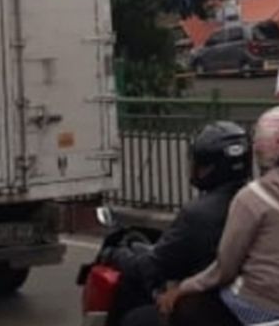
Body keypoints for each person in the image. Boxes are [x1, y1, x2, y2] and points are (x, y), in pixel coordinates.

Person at [101, 121, 253, 326]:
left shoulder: (198, 214)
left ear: (207, 167)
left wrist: (114, 255)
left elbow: (152, 267)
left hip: (220, 309)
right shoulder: (260, 201)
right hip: (253, 305)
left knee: (133, 321)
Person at [161, 105, 279, 325]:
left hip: (258, 310)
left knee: (185, 308)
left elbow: (223, 270)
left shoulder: (252, 198)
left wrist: (182, 288)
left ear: (263, 149)